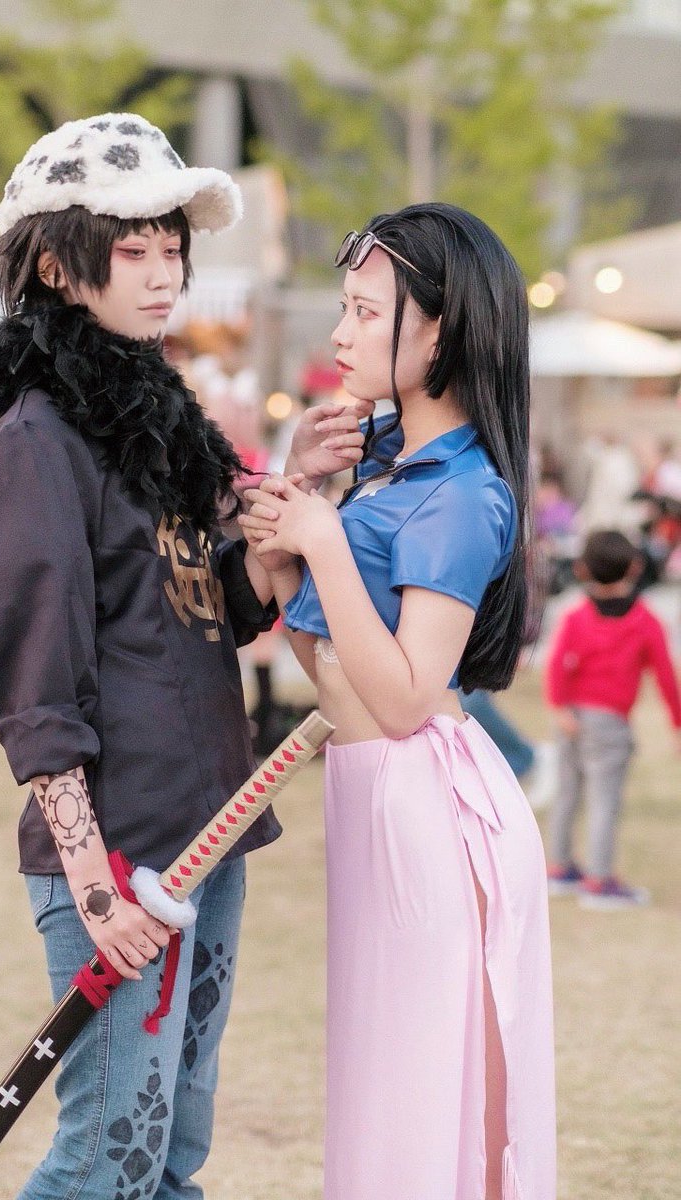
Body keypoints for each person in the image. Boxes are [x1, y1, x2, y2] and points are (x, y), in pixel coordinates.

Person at [0, 112, 367, 1200]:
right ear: (56, 264)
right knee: (108, 1162)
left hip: (209, 828)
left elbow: (211, 606)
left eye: (171, 246)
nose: (162, 272)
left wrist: (293, 489)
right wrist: (97, 889)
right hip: (122, 853)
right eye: (130, 249)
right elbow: (34, 686)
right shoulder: (36, 440)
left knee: (172, 1153)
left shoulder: (157, 417)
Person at [241, 205, 555, 1199]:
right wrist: (285, 541)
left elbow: (410, 696)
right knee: (380, 1080)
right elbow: (330, 667)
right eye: (344, 308)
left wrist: (320, 541)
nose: (340, 333)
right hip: (372, 789)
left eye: (364, 312)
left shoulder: (465, 492)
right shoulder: (385, 472)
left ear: (441, 330)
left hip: (428, 799)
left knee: (423, 1090)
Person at [545, 529, 681, 908]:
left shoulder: (576, 616)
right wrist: (677, 723)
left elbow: (556, 665)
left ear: (582, 569)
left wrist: (559, 706)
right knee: (605, 801)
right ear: (636, 567)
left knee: (567, 794)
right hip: (609, 725)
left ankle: (559, 868)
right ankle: (599, 881)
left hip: (571, 717)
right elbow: (666, 676)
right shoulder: (646, 621)